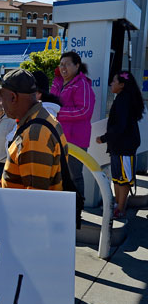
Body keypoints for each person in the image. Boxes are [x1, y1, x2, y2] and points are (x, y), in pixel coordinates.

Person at [0, 69, 68, 304]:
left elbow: (37, 199)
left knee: (31, 286)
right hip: (36, 228)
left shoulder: (34, 133)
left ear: (14, 97)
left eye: (2, 96)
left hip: (30, 231)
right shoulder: (40, 120)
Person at [96, 71, 145, 218]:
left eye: (114, 81)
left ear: (122, 85)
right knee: (118, 177)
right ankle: (118, 205)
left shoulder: (124, 100)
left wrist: (104, 138)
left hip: (124, 147)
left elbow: (120, 126)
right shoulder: (124, 99)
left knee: (123, 178)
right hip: (120, 146)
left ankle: (120, 208)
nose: (111, 83)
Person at [50, 51, 95, 197]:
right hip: (56, 137)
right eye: (61, 64)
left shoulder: (82, 84)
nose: (63, 68)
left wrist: (58, 112)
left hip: (75, 139)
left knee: (74, 176)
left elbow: (85, 110)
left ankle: (77, 211)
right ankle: (62, 210)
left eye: (67, 64)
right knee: (57, 176)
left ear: (77, 66)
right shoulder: (57, 82)